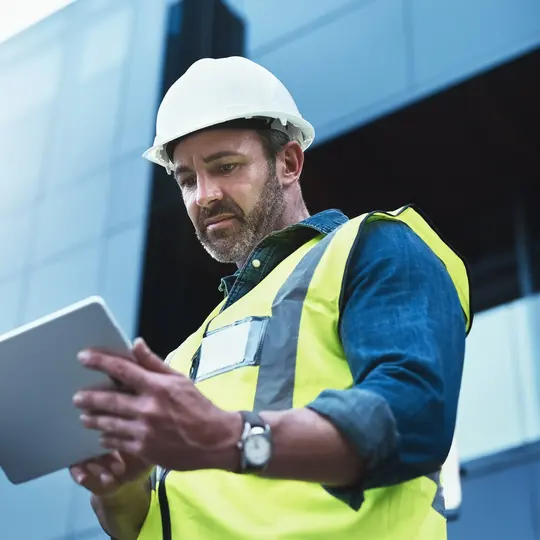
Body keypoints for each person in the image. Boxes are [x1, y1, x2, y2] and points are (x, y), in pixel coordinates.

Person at [70, 56, 471, 540]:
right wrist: (120, 491)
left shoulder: (372, 248)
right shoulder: (181, 358)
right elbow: (147, 526)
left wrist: (230, 438)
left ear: (288, 162)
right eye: (187, 179)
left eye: (225, 166)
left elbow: (414, 416)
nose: (203, 195)